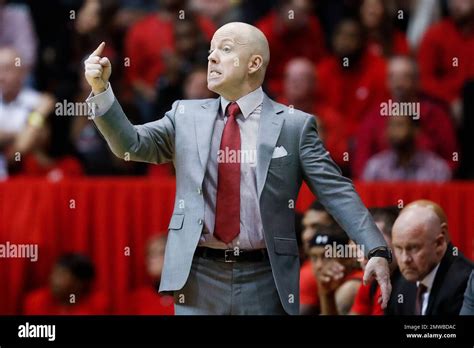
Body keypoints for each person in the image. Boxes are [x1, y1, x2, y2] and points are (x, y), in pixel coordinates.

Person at [84, 22, 391, 315]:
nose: (212, 57)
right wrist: (101, 89)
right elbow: (131, 145)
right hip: (197, 273)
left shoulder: (294, 126)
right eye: (210, 51)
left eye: (225, 49)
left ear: (254, 63)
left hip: (265, 275)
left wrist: (375, 249)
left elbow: (335, 190)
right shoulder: (184, 115)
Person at [353, 56, 459, 179]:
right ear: (387, 82)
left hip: (428, 186)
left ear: (417, 81)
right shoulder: (373, 117)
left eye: (405, 77)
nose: (399, 84)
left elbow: (451, 159)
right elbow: (361, 164)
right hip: (383, 187)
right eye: (393, 77)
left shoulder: (436, 115)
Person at [386, 201, 473, 315]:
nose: (404, 259)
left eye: (414, 248)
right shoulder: (400, 282)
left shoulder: (465, 282)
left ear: (439, 243)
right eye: (398, 248)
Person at [362, 115, 452, 182]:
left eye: (399, 125)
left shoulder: (436, 168)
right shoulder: (375, 167)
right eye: (390, 125)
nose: (393, 131)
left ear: (416, 130)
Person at [350, 207, 401, 315]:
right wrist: (326, 294)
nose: (363, 255)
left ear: (397, 241)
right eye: (360, 245)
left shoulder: (408, 285)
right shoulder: (370, 281)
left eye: (374, 245)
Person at [23, 253, 109, 315]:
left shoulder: (98, 305)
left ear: (79, 283)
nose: (53, 279)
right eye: (53, 273)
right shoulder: (35, 302)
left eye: (61, 275)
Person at [308, 224, 364, 315]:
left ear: (348, 258)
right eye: (314, 258)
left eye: (327, 256)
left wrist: (326, 295)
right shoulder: (327, 283)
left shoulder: (350, 287)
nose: (319, 265)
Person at [299, 201, 336, 315]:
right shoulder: (309, 267)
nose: (306, 235)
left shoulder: (310, 273)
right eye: (305, 227)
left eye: (316, 226)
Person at [128, 234, 174, 315]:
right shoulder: (139, 298)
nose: (150, 259)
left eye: (158, 252)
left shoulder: (191, 296)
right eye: (149, 254)